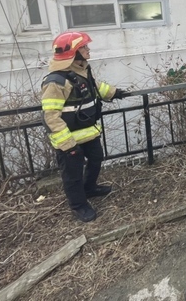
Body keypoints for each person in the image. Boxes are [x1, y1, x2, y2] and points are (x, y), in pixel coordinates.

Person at [40, 31, 131, 222]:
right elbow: (51, 117)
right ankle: (78, 205)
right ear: (73, 53)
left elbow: (95, 87)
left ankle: (89, 188)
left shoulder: (82, 71)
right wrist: (68, 145)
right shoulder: (56, 82)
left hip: (88, 133)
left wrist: (115, 93)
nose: (88, 50)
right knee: (72, 175)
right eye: (84, 47)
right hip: (69, 139)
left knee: (96, 158)